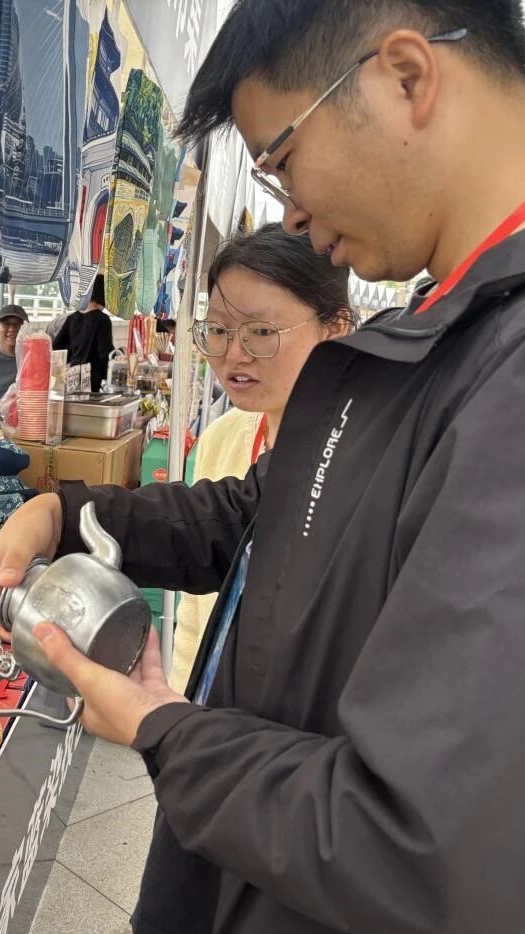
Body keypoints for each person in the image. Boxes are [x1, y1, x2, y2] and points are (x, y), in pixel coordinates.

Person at [0, 2, 525, 934]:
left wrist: (170, 730)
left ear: (405, 77)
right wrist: (62, 510)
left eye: (281, 157)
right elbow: (260, 513)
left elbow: (439, 853)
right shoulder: (446, 329)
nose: (288, 212)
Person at [170, 224, 352, 689]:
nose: (234, 355)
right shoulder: (221, 439)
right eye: (218, 330)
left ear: (335, 330)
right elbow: (196, 614)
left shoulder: (358, 462)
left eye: (261, 332)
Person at [53, 273, 114, 392]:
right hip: (92, 382)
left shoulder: (71, 318)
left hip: (71, 379)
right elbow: (105, 354)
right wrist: (119, 357)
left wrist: (69, 364)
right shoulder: (103, 319)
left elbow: (56, 346)